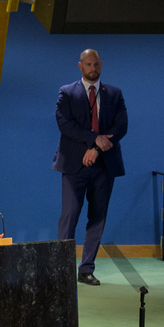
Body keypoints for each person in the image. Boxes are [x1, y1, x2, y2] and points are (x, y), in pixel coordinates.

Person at [54, 48, 126, 286]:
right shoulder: (67, 92)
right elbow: (65, 124)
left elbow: (121, 126)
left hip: (104, 166)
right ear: (80, 66)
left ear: (101, 65)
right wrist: (93, 139)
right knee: (70, 215)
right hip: (75, 165)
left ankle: (86, 270)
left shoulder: (114, 94)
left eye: (96, 64)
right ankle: (62, 270)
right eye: (88, 64)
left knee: (98, 218)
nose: (92, 68)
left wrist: (96, 149)